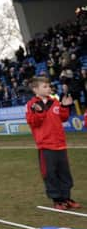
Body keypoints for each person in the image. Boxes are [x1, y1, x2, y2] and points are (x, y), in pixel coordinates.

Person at [25, 77, 81, 210]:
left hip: (60, 144)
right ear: (35, 89)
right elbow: (33, 122)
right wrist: (39, 112)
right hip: (46, 146)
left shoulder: (55, 102)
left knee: (64, 173)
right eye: (44, 86)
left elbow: (63, 117)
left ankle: (67, 198)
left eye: (49, 86)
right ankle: (57, 200)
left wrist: (65, 106)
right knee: (50, 174)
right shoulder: (31, 104)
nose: (48, 88)